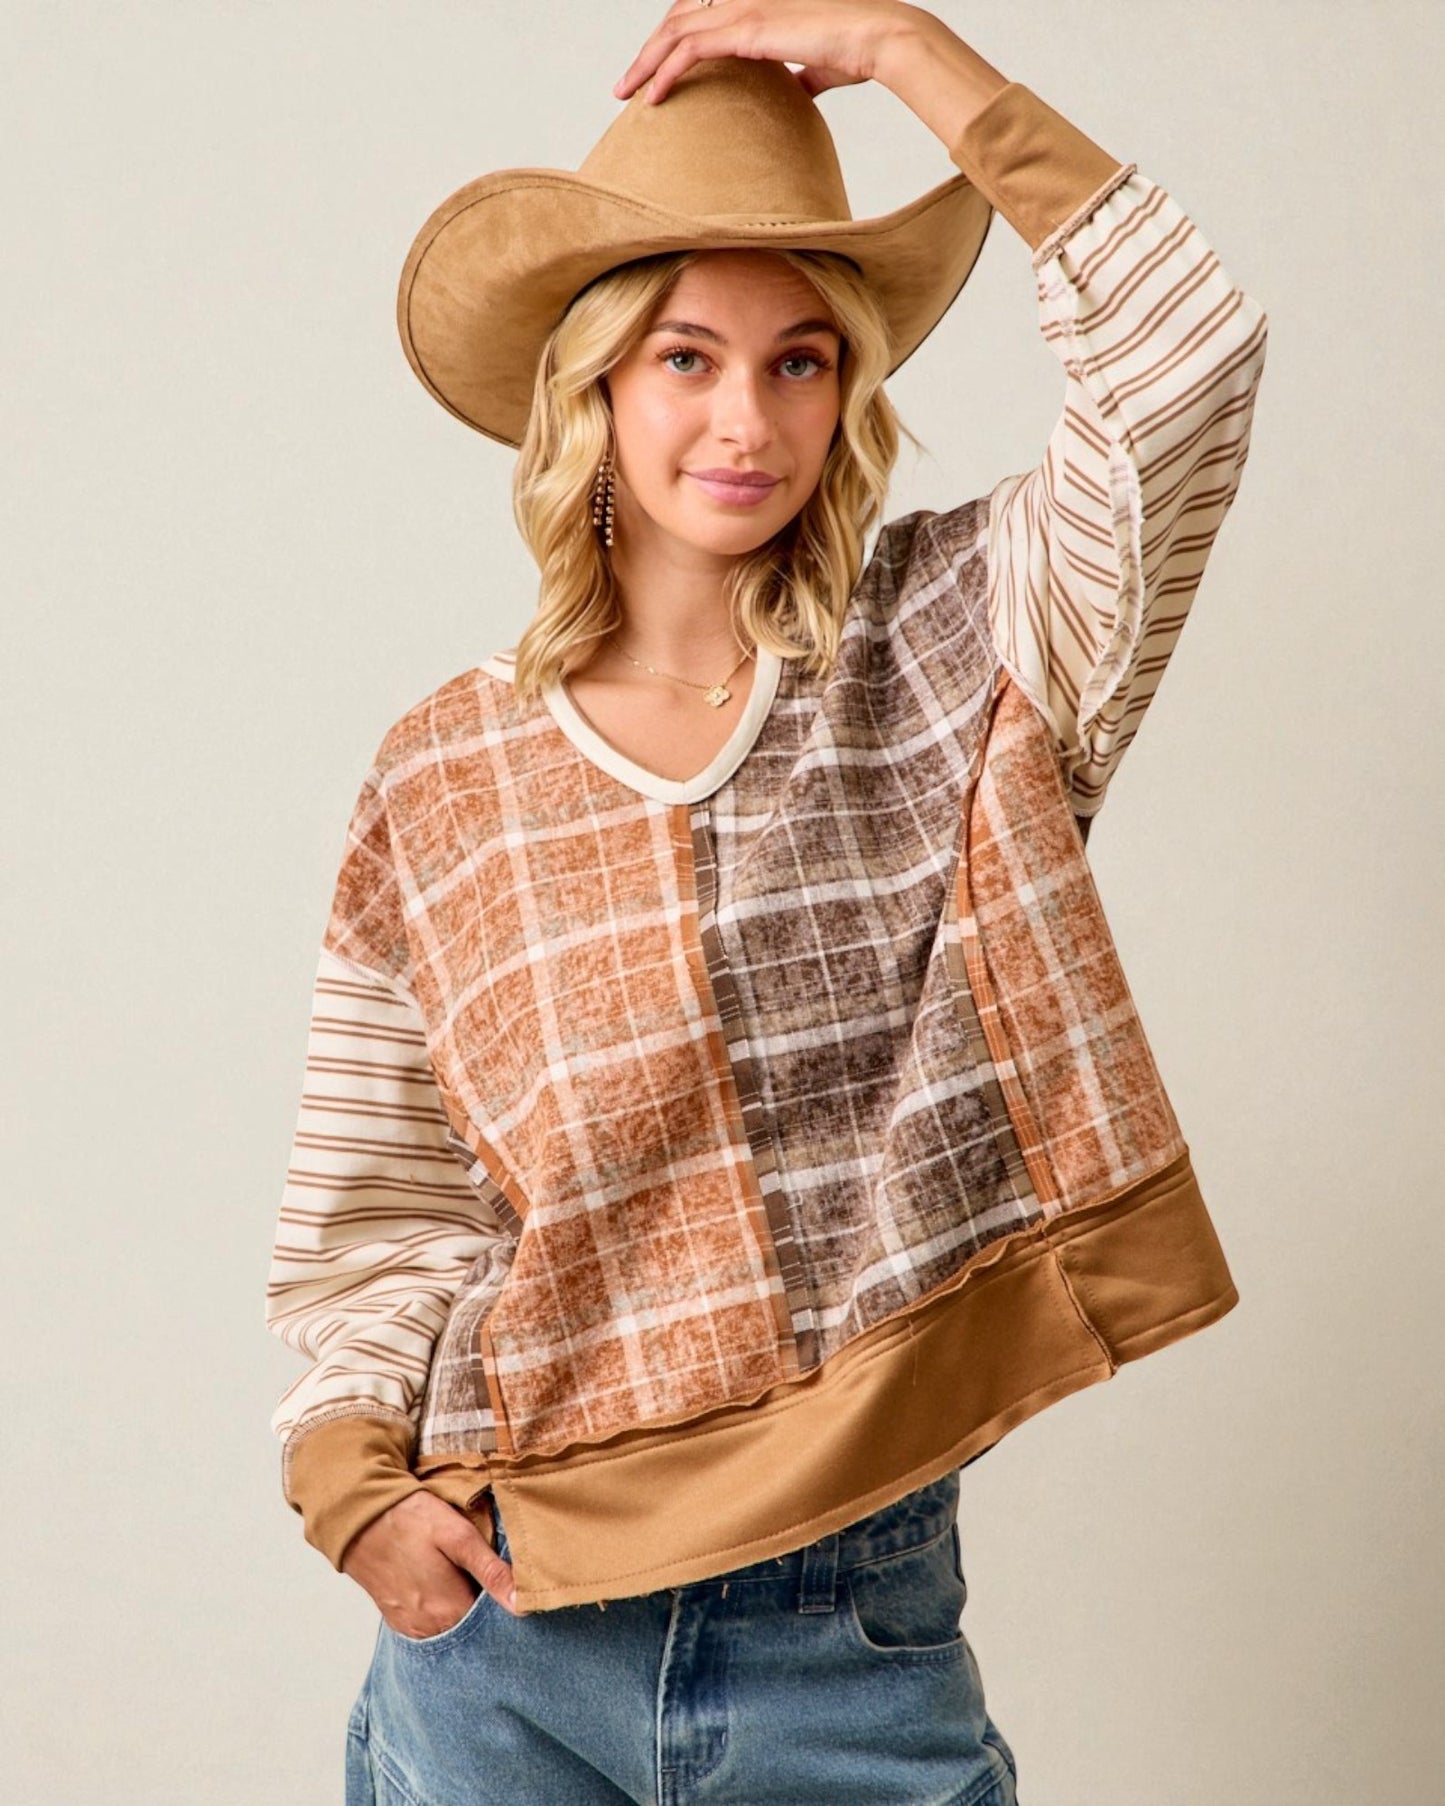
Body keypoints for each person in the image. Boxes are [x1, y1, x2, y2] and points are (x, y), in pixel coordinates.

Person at [265, 3, 1268, 1800]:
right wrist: (351, 1483)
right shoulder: (445, 772)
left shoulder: (966, 655)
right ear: (589, 385)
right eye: (684, 356)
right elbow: (386, 1195)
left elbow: (1186, 361)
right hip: (499, 1639)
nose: (748, 416)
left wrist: (909, 58)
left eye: (802, 359)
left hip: (847, 1634)